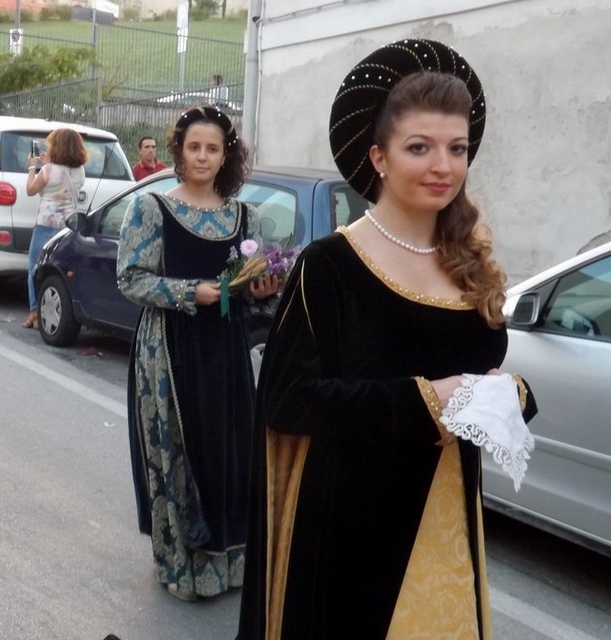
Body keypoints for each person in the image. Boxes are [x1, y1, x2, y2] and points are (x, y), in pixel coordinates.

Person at [237, 39, 538, 638]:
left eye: (457, 148)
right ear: (378, 157)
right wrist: (427, 399)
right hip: (348, 528)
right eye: (419, 147)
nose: (443, 166)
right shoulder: (329, 266)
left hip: (446, 519)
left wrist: (511, 396)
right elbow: (287, 398)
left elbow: (473, 382)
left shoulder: (468, 262)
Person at [117, 106, 279, 602]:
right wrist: (192, 292)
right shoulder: (151, 209)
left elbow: (253, 290)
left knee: (229, 454)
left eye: (213, 148)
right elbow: (130, 278)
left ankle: (230, 565)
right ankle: (180, 567)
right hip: (169, 351)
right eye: (194, 147)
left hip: (226, 354)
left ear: (226, 154)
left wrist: (260, 289)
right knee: (176, 455)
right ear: (179, 151)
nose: (203, 157)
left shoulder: (244, 216)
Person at [22, 128, 88, 328]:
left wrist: (32, 167)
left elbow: (31, 189)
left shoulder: (48, 170)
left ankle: (35, 311)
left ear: (57, 147)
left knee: (35, 268)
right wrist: (47, 162)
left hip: (46, 225)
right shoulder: (80, 171)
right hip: (68, 227)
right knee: (59, 271)